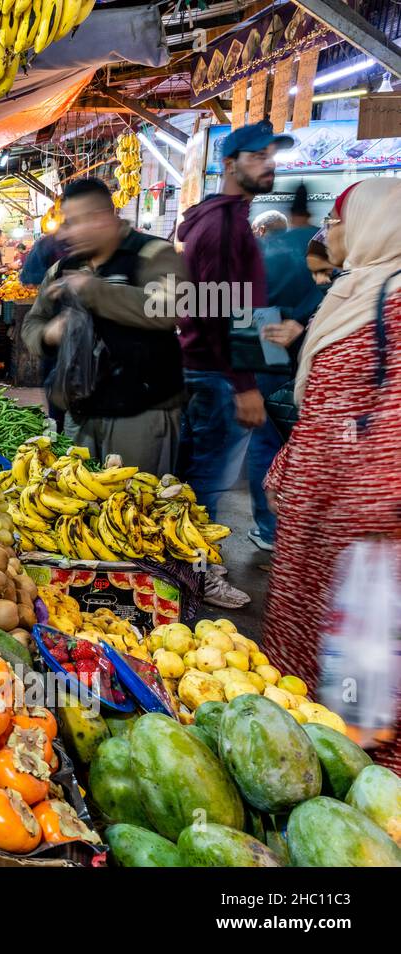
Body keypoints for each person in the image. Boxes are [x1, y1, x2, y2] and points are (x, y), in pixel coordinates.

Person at [263, 178, 401, 772]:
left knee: (361, 663)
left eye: (339, 221)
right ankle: (305, 762)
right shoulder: (359, 289)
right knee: (313, 650)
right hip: (318, 512)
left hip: (361, 528)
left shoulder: (393, 301)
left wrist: (365, 518)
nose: (329, 233)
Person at [176, 119, 292, 609]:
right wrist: (245, 383)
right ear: (228, 164)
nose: (267, 165)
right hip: (218, 375)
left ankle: (186, 567)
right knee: (207, 487)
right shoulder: (224, 226)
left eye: (271, 156)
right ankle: (197, 575)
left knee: (196, 481)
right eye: (256, 156)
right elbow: (225, 310)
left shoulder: (220, 218)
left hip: (206, 369)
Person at [20, 178, 186, 475]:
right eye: (70, 222)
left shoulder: (151, 254)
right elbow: (33, 323)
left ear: (108, 216)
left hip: (140, 415)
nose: (73, 231)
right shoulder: (61, 269)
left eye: (84, 220)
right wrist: (49, 334)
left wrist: (94, 291)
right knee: (77, 502)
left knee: (137, 506)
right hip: (81, 414)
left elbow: (171, 308)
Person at [245, 185, 323, 552]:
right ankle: (304, 530)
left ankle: (268, 528)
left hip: (266, 345)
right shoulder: (324, 246)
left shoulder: (264, 250)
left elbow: (243, 305)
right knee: (304, 440)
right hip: (312, 351)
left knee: (264, 441)